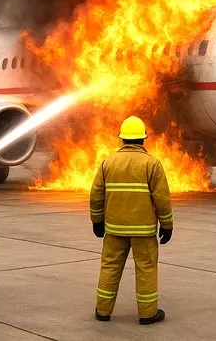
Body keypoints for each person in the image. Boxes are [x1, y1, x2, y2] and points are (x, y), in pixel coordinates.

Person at [89, 116, 173, 325]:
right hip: (143, 231)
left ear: (122, 139)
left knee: (109, 267)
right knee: (146, 268)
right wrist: (167, 225)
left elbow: (96, 195)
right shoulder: (152, 164)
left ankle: (103, 311)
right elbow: (162, 199)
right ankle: (147, 314)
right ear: (143, 139)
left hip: (114, 229)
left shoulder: (108, 162)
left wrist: (97, 221)